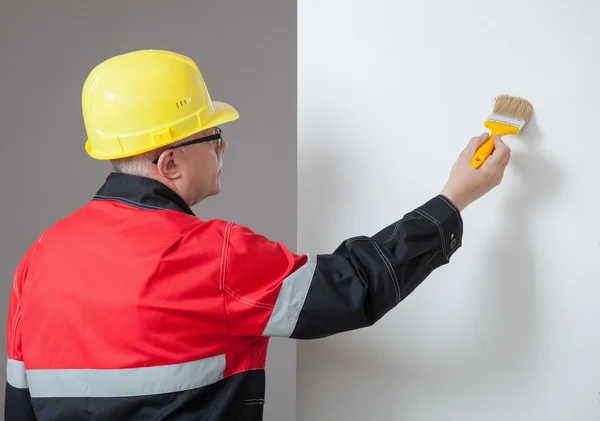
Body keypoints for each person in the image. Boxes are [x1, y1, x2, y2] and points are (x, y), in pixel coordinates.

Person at [4, 49, 511, 421]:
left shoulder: (40, 258)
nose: (223, 147)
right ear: (170, 162)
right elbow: (352, 286)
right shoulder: (210, 255)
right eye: (212, 136)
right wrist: (454, 199)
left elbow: (19, 405)